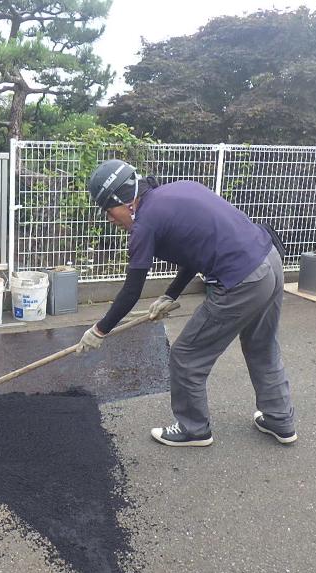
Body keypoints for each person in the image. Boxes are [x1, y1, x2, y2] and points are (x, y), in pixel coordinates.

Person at [76, 159, 296, 447]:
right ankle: (280, 420)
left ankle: (194, 429)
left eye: (108, 210)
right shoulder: (177, 191)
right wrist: (170, 294)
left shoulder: (144, 225)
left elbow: (132, 290)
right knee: (262, 345)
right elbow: (195, 249)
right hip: (269, 260)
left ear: (125, 201)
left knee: (186, 356)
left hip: (242, 280)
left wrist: (100, 330)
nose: (109, 218)